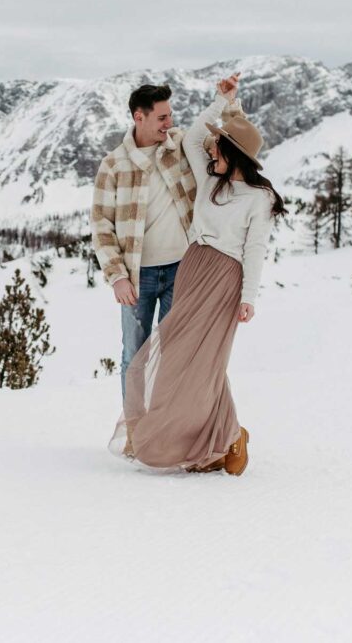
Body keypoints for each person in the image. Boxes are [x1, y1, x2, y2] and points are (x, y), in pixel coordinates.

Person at [108, 74, 285, 475]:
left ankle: (225, 437)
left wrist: (248, 297)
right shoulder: (211, 180)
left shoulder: (258, 199)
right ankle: (211, 439)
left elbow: (255, 250)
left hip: (224, 280)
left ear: (233, 154)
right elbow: (190, 142)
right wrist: (219, 102)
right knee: (177, 364)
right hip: (193, 269)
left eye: (218, 146)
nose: (209, 151)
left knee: (206, 364)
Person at [90, 77, 240, 399]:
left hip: (181, 270)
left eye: (170, 116)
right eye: (162, 118)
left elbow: (230, 143)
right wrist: (117, 276)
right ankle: (135, 430)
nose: (169, 123)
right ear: (138, 117)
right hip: (137, 277)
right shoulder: (114, 165)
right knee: (135, 356)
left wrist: (228, 102)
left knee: (176, 354)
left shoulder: (181, 146)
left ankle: (166, 430)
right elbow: (101, 226)